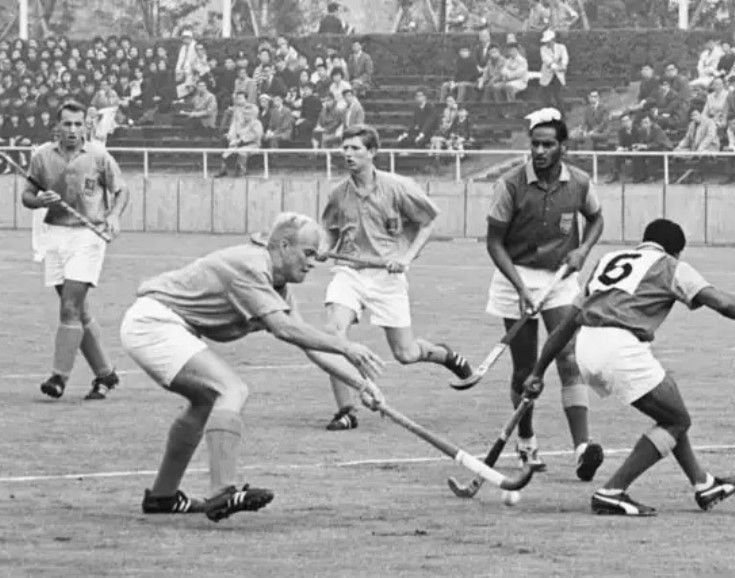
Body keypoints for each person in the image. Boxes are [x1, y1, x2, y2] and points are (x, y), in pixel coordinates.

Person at [120, 212, 386, 521]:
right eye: (308, 253)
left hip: (158, 325)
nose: (314, 262)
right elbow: (283, 328)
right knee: (230, 389)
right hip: (153, 323)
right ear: (284, 246)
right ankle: (223, 492)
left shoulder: (277, 284)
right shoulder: (252, 265)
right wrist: (346, 345)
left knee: (205, 400)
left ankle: (162, 497)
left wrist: (363, 385)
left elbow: (308, 343)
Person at [524, 218, 735, 516]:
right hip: (619, 347)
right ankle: (612, 491)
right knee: (676, 420)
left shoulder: (608, 260)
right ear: (675, 251)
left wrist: (537, 372)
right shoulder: (671, 266)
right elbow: (722, 303)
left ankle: (702, 484)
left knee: (670, 411)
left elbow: (567, 325)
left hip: (587, 346)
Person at [318, 124, 473, 430]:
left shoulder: (398, 186)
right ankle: (346, 411)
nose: (348, 154)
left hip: (386, 279)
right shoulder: (338, 192)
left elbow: (427, 223)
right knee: (332, 336)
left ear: (372, 152)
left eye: (355, 148)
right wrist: (324, 247)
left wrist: (405, 257)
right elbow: (329, 228)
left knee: (406, 353)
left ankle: (444, 355)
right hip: (349, 274)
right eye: (345, 148)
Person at [485, 107, 604, 478]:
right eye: (535, 144)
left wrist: (582, 250)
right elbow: (493, 242)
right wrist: (519, 287)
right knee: (525, 368)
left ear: (562, 148)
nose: (539, 151)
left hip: (560, 277)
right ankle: (526, 438)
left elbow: (596, 218)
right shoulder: (510, 184)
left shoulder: (580, 182)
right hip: (514, 275)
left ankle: (582, 447)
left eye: (548, 145)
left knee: (568, 356)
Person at [20, 100, 129, 401]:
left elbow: (121, 190)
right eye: (66, 124)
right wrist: (40, 201)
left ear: (85, 126)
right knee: (78, 310)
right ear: (57, 127)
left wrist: (114, 215)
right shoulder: (42, 156)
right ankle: (105, 374)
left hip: (87, 236)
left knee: (69, 307)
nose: (72, 130)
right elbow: (27, 194)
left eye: (78, 124)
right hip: (54, 235)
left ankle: (59, 377)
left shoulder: (98, 155)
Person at [217, 103, 263, 177]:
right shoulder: (241, 123)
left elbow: (255, 136)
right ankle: (223, 170)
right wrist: (232, 139)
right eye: (244, 114)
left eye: (248, 114)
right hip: (239, 144)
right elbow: (235, 134)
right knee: (227, 152)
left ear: (253, 114)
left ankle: (242, 170)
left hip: (253, 145)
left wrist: (240, 141)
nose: (245, 116)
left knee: (242, 151)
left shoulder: (256, 123)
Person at [539, 29, 568, 112]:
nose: (547, 43)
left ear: (553, 40)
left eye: (548, 41)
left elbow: (565, 58)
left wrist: (563, 65)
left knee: (558, 96)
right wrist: (558, 67)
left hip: (558, 76)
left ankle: (562, 116)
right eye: (546, 41)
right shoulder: (543, 49)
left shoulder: (561, 47)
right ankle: (547, 116)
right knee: (546, 97)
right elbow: (547, 60)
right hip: (547, 76)